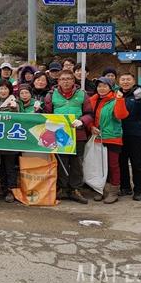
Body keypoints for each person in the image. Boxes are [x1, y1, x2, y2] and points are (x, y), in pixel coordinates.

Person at [44, 69, 93, 204]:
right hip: (59, 134)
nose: (66, 82)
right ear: (58, 81)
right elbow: (47, 114)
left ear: (73, 80)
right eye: (63, 79)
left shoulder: (82, 94)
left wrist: (82, 121)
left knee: (77, 163)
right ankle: (62, 188)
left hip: (78, 134)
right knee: (61, 162)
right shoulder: (50, 95)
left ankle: (75, 189)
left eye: (68, 79)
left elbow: (89, 113)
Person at [89, 77, 129, 204]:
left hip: (112, 137)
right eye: (99, 86)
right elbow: (89, 116)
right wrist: (91, 127)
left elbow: (121, 115)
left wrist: (120, 99)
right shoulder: (92, 100)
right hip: (97, 137)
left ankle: (113, 191)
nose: (101, 88)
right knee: (98, 166)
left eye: (105, 86)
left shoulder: (115, 99)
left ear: (110, 88)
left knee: (113, 165)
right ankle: (99, 189)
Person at [118, 72, 141, 201]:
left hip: (135, 134)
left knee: (136, 162)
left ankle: (138, 189)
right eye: (123, 79)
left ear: (134, 81)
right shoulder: (117, 94)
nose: (125, 82)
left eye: (128, 79)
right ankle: (125, 187)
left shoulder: (140, 94)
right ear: (119, 82)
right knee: (121, 162)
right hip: (119, 134)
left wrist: (139, 100)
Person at [0, 79, 19, 203]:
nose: (3, 91)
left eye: (5, 88)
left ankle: (11, 190)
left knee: (10, 166)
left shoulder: (14, 102)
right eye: (1, 88)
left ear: (10, 90)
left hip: (9, 140)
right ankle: (3, 187)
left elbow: (18, 117)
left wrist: (13, 109)